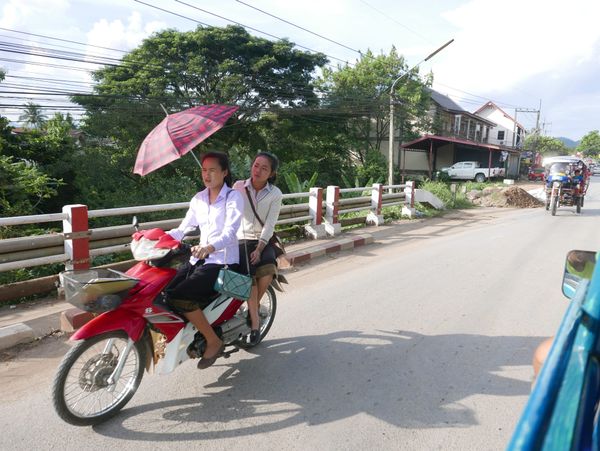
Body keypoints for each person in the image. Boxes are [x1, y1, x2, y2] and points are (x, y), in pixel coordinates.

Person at [166, 151, 244, 369]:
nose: (207, 175)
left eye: (212, 170)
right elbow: (183, 229)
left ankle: (213, 340)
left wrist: (209, 247)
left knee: (180, 296)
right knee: (164, 291)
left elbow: (230, 232)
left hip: (222, 261)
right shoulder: (198, 199)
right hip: (198, 259)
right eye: (203, 170)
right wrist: (156, 238)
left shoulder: (233, 197)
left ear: (224, 172)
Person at [233, 152, 283, 345]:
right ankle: (254, 322)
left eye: (264, 168)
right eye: (256, 165)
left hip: (262, 240)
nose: (258, 171)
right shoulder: (238, 187)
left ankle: (250, 308)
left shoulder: (275, 194)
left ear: (271, 174)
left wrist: (260, 248)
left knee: (269, 269)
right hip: (240, 240)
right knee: (249, 272)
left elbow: (270, 224)